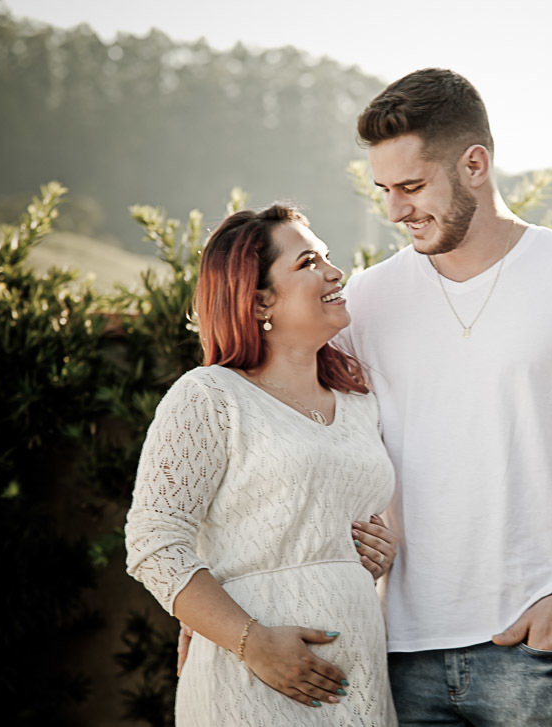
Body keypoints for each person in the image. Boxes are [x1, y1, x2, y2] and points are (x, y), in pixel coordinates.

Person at [338, 68, 552, 726]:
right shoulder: (365, 300)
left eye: (412, 186)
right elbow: (287, 436)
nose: (395, 211)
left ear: (474, 165)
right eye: (384, 190)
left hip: (539, 649)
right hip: (401, 650)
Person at [125, 204, 400, 726]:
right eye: (308, 263)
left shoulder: (360, 403)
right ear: (257, 301)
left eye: (327, 257)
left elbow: (317, 526)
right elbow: (153, 543)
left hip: (357, 674)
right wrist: (252, 643)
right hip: (250, 680)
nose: (334, 272)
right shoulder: (209, 395)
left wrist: (373, 553)